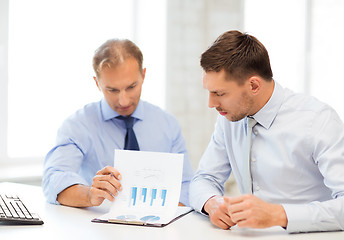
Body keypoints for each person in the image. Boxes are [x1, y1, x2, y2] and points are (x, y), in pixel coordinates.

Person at [189, 30, 344, 233]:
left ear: (254, 85)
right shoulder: (229, 119)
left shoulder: (318, 120)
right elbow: (204, 178)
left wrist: (278, 215)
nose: (211, 104)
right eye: (209, 92)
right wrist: (212, 202)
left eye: (220, 93)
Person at [42, 39, 194, 207]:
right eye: (112, 90)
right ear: (97, 83)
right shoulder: (78, 125)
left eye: (131, 87)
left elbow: (186, 186)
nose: (123, 101)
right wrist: (90, 195)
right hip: (98, 229)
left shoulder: (167, 124)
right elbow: (53, 181)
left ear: (143, 75)